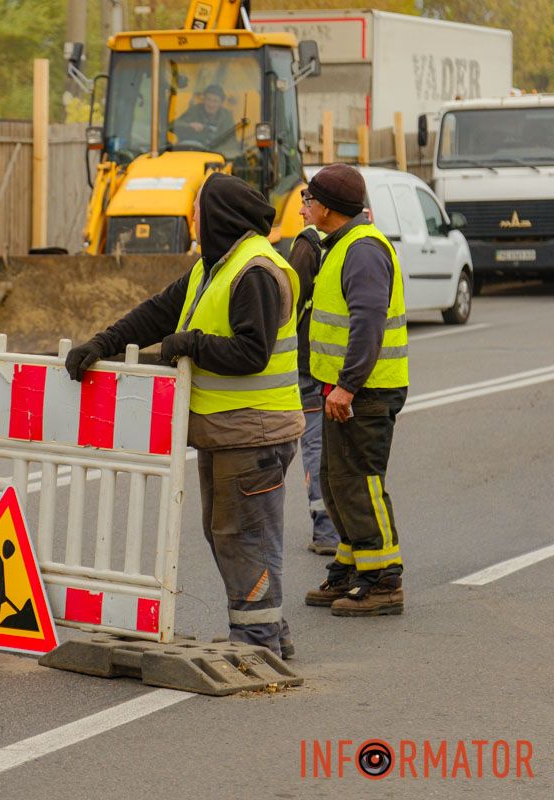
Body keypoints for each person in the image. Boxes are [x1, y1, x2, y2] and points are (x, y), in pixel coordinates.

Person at [64, 173, 303, 658]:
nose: (191, 218)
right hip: (227, 430)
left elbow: (252, 352)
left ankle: (257, 642)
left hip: (253, 431)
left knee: (243, 536)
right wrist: (102, 345)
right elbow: (157, 312)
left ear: (218, 216)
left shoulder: (253, 270)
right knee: (231, 535)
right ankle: (269, 633)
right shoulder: (213, 267)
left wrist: (189, 344)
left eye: (197, 210)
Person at [300, 164, 408, 617]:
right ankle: (351, 564)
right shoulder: (341, 245)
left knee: (361, 481)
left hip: (364, 391)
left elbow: (368, 322)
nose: (304, 204)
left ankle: (383, 578)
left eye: (309, 197)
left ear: (326, 208)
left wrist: (346, 386)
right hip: (344, 389)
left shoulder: (361, 250)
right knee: (336, 481)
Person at [287, 222, 341, 557]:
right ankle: (341, 528)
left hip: (310, 363)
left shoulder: (308, 244)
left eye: (308, 199)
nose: (302, 206)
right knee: (336, 448)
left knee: (315, 446)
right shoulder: (353, 241)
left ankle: (326, 530)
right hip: (340, 363)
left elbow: (287, 303)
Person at [173, 84, 236, 152]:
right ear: (203, 100)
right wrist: (189, 125)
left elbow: (231, 141)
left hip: (217, 154)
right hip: (194, 151)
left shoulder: (227, 116)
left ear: (221, 103)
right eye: (208, 99)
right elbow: (172, 126)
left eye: (215, 101)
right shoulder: (194, 111)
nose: (211, 104)